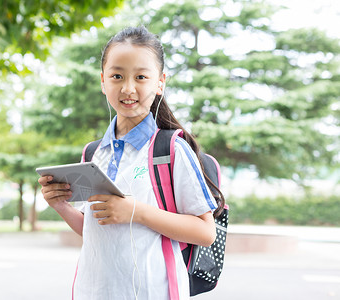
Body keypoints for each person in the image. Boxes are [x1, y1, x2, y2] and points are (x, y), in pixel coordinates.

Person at [38, 26, 223, 300]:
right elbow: (95, 228)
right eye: (117, 76)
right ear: (103, 81)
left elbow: (205, 232)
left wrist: (135, 211)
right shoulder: (93, 152)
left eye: (140, 77)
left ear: (159, 82)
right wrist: (60, 205)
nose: (128, 88)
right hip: (93, 292)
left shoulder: (170, 149)